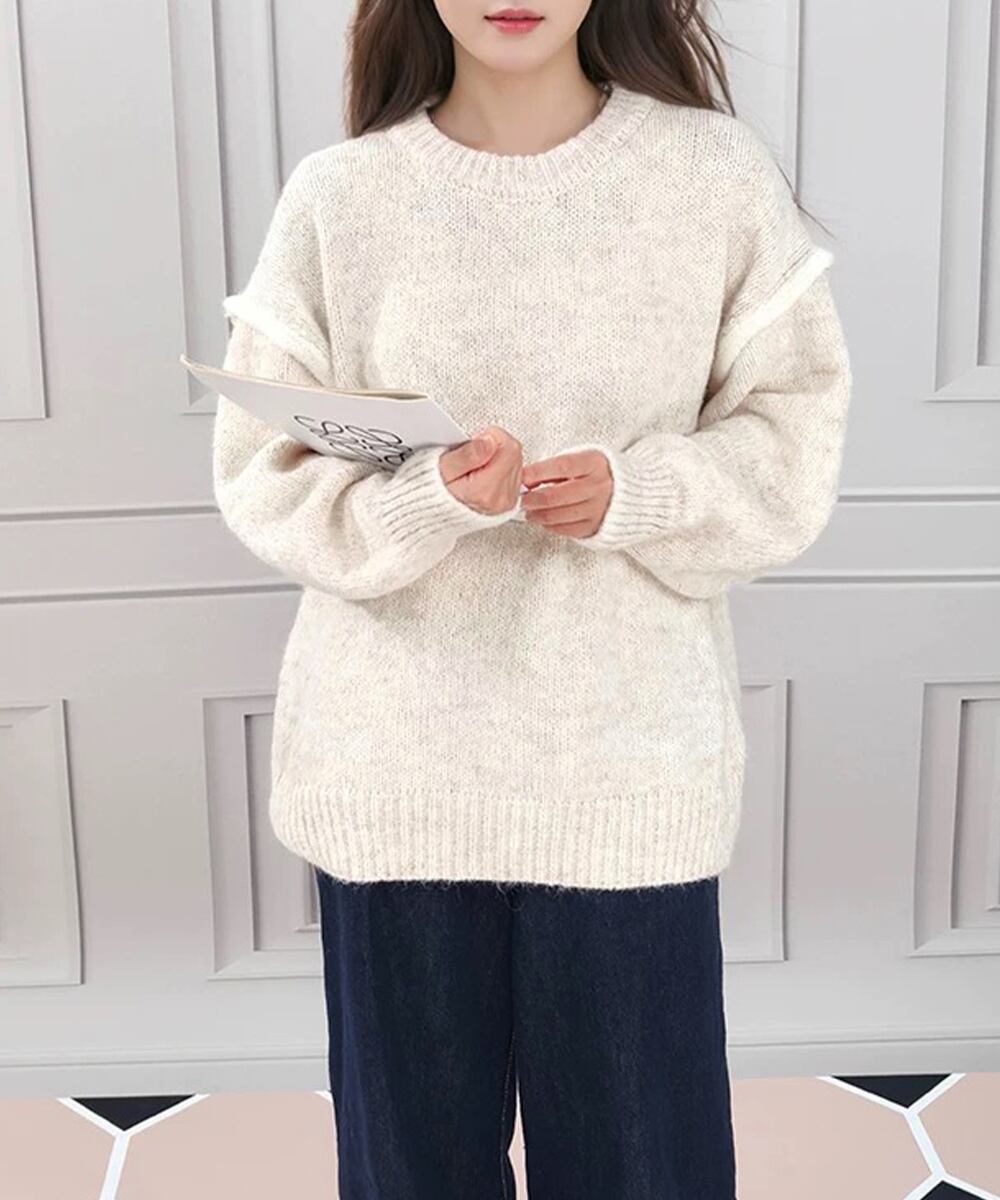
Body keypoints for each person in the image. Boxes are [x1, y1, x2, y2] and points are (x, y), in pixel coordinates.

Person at [211, 0, 853, 1194]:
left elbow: (791, 443)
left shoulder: (710, 177)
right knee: (412, 1174)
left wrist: (636, 493)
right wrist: (429, 501)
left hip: (625, 771)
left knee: (641, 1170)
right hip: (392, 764)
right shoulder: (341, 197)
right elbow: (263, 473)